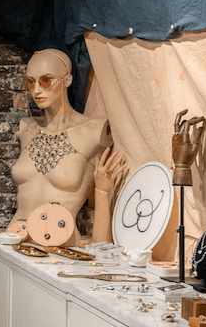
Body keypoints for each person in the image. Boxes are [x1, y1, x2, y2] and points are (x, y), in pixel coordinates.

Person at [7, 49, 123, 243]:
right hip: (14, 239)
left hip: (61, 244)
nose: (36, 90)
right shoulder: (27, 129)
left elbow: (103, 195)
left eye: (46, 80)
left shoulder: (93, 131)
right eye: (30, 82)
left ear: (67, 80)